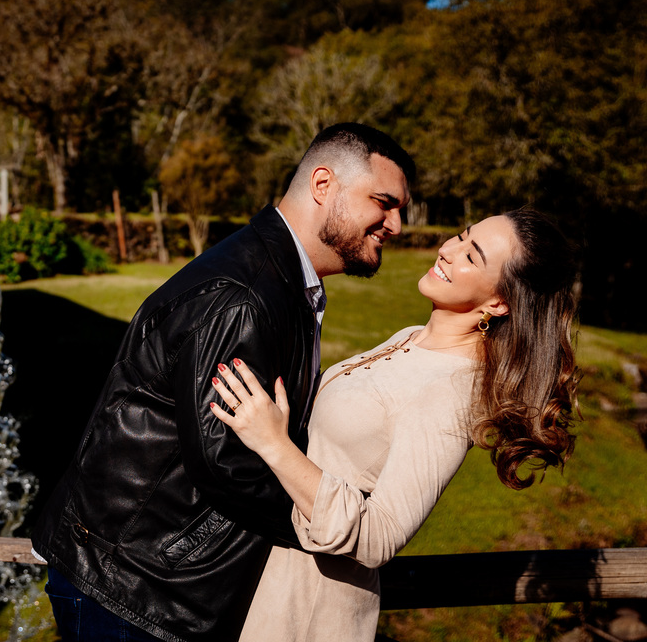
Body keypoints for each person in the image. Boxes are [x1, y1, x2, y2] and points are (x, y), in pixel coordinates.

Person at [32, 123, 416, 642]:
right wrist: (334, 523)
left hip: (148, 575)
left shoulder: (279, 278)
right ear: (323, 185)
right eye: (384, 203)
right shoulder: (244, 298)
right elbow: (226, 464)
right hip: (134, 588)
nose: (396, 225)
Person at [209, 208, 579, 642]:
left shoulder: (452, 392)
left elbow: (379, 537)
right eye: (461, 236)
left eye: (471, 256)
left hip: (306, 606)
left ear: (498, 303)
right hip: (264, 574)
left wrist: (275, 445)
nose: (448, 250)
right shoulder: (411, 336)